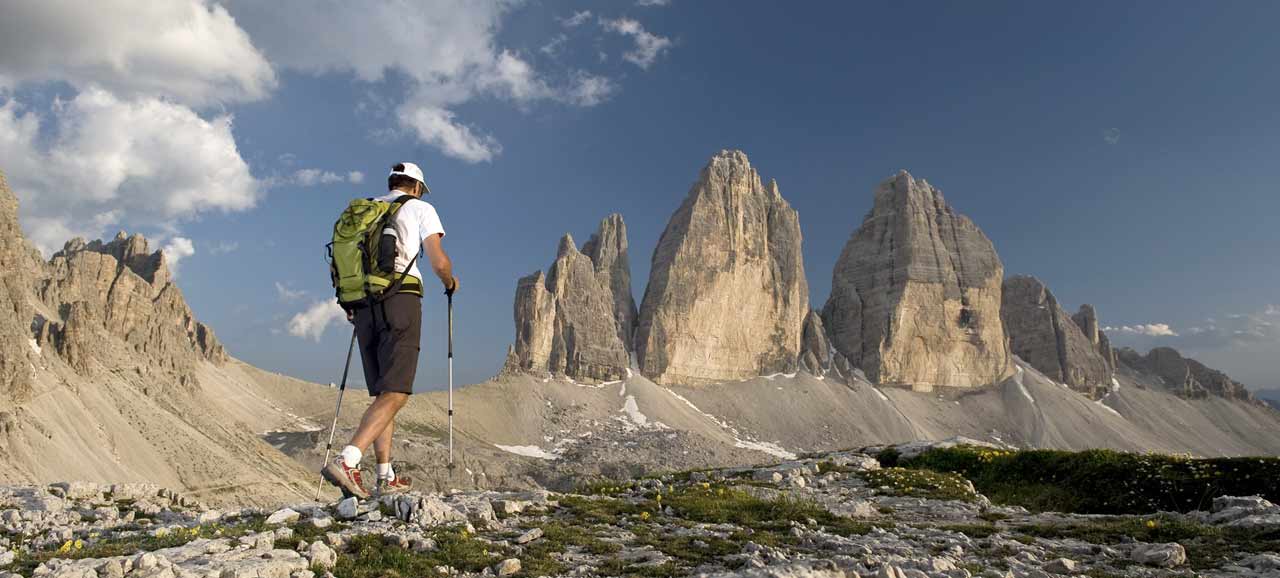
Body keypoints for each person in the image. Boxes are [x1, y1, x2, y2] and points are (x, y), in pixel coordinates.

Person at [321, 162, 458, 498]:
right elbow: (438, 259)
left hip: (362, 305)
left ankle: (385, 476)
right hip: (401, 299)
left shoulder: (368, 210)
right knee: (397, 391)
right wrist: (451, 282)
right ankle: (348, 460)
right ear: (417, 187)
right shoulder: (421, 208)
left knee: (383, 393)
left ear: (392, 183)